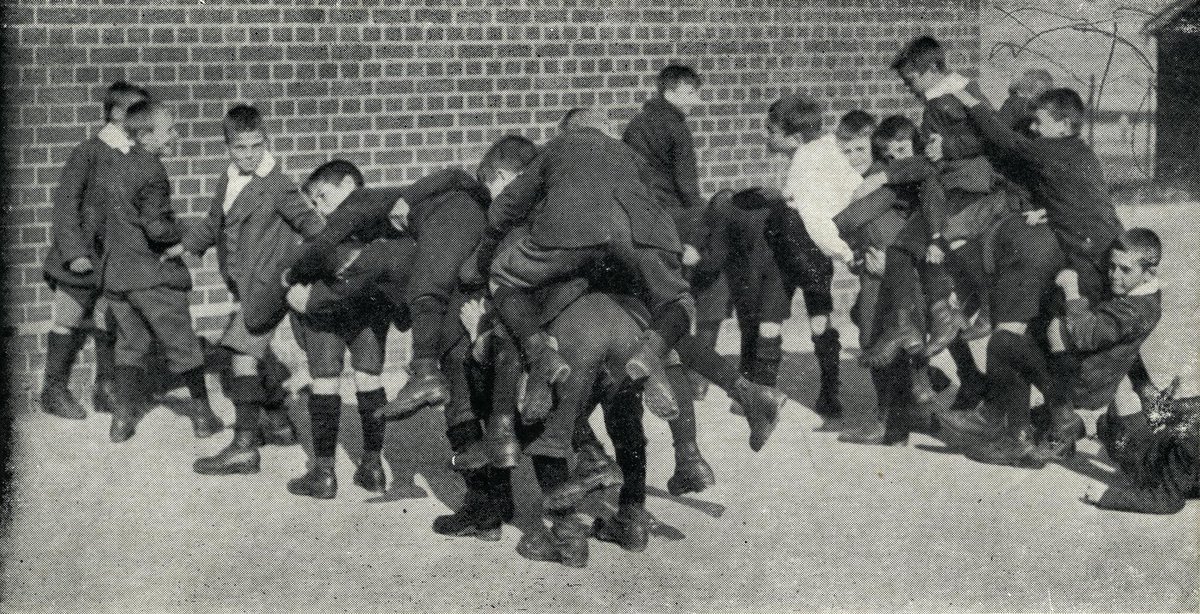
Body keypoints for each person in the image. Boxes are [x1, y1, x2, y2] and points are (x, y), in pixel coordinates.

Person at [186, 105, 326, 476]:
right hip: (242, 280)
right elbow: (215, 221)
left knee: (241, 351)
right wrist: (191, 248)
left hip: (268, 282)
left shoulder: (277, 183)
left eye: (255, 146)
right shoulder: (227, 179)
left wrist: (335, 245)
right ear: (228, 147)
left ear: (267, 142)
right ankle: (278, 422)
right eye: (239, 148)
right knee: (256, 351)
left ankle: (245, 445)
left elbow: (308, 220)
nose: (248, 155)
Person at [100, 100, 223, 443]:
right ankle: (202, 415)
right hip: (152, 276)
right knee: (183, 344)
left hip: (118, 278)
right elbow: (157, 229)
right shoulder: (152, 170)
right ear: (145, 134)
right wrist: (182, 233)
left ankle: (121, 421)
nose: (175, 135)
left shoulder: (114, 166)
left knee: (129, 344)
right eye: (169, 129)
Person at [40, 81, 148, 420]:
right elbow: (65, 204)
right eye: (136, 110)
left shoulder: (136, 154)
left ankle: (105, 387)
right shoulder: (88, 151)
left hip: (115, 258)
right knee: (68, 318)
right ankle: (53, 388)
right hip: (83, 257)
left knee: (109, 319)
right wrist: (75, 252)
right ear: (116, 114)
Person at [761, 94, 860, 429]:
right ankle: (829, 392)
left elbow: (797, 200)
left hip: (796, 237)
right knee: (820, 312)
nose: (767, 137)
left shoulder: (803, 158)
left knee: (771, 312)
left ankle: (763, 394)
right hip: (816, 246)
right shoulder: (831, 149)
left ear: (794, 137)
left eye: (771, 131)